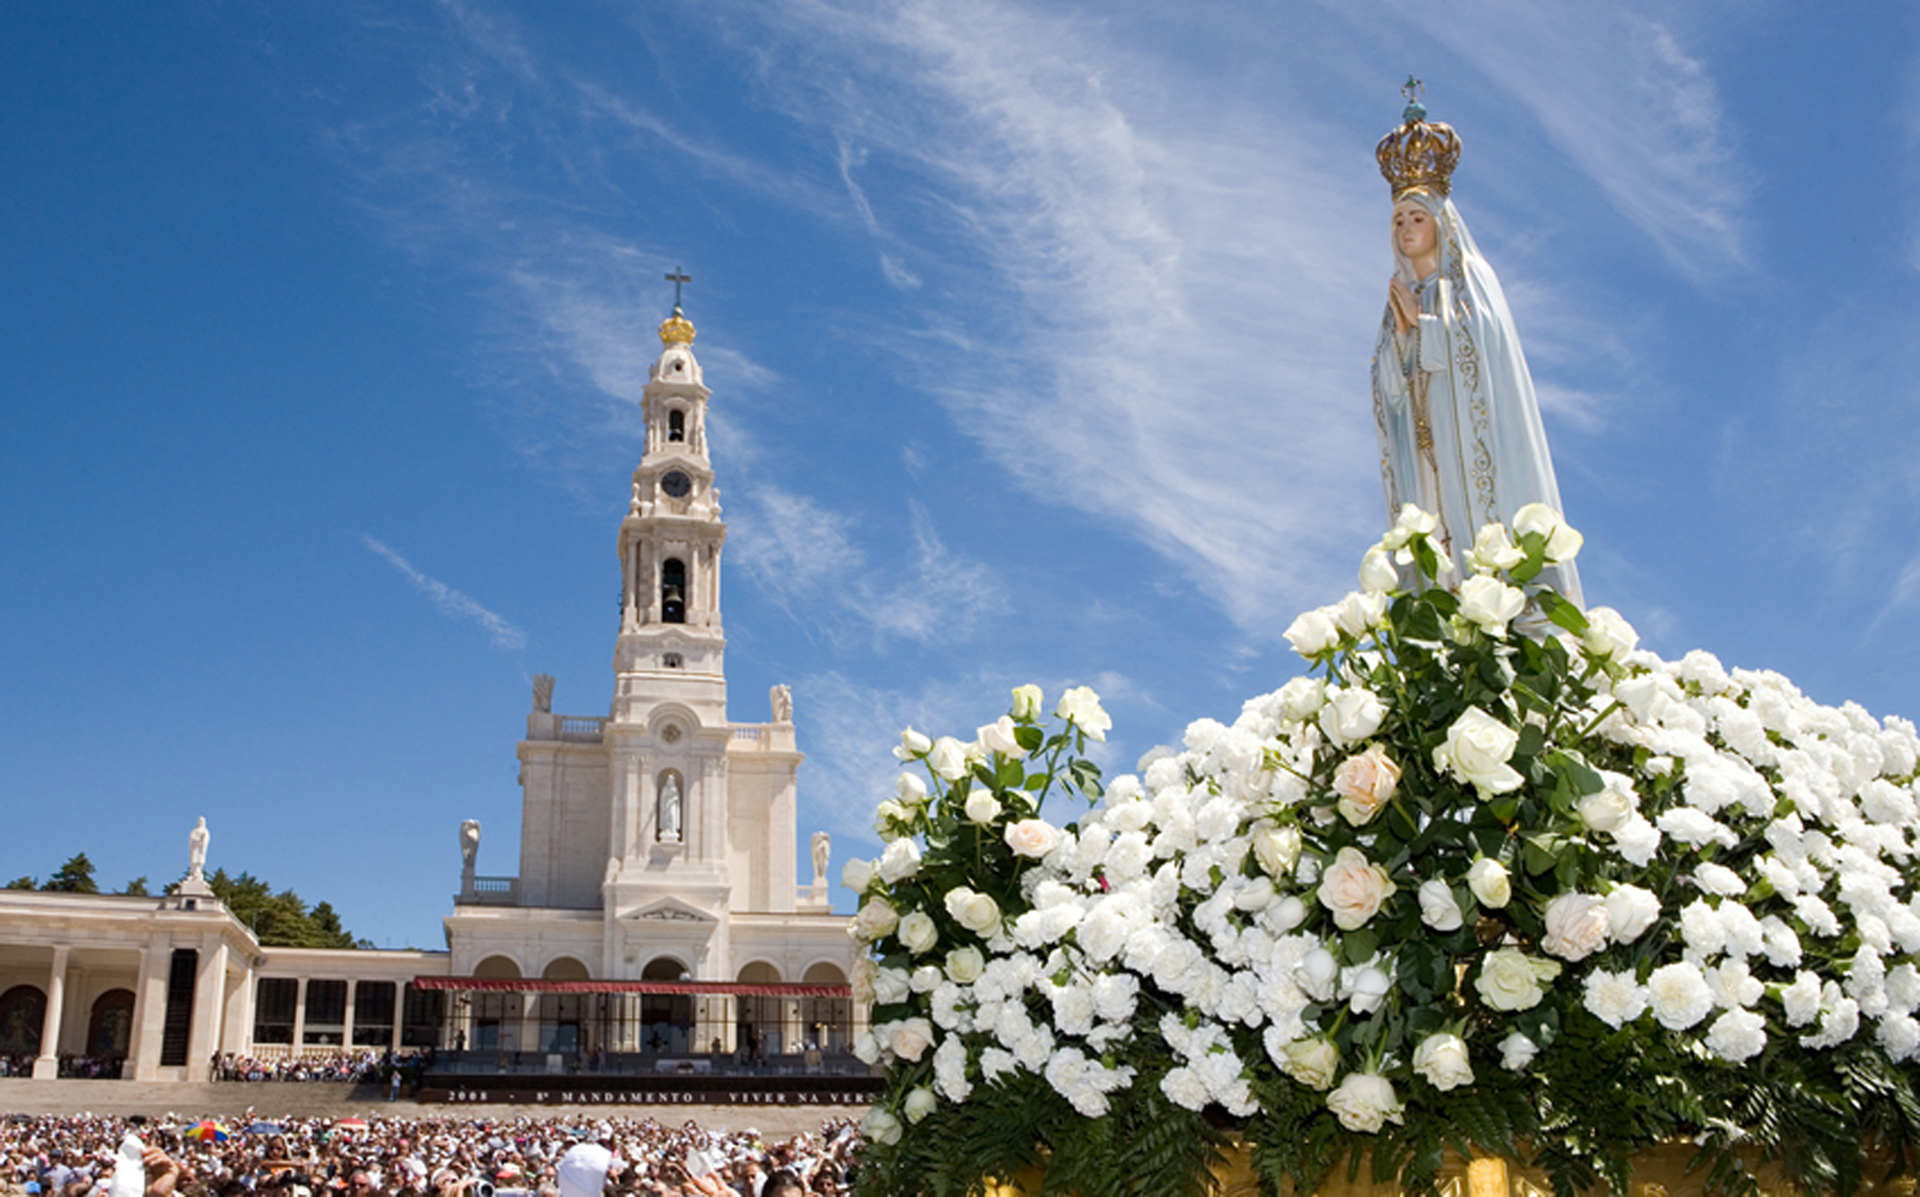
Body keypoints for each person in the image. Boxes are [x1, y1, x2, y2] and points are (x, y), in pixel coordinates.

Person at [1370, 87, 1582, 606]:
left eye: (1416, 218)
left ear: (1441, 223)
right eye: (1398, 220)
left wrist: (1429, 328)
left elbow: (1487, 351)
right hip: (1426, 457)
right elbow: (1388, 392)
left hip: (1474, 455)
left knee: (1483, 556)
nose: (1405, 230)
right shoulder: (1399, 298)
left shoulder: (1471, 280)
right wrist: (1402, 340)